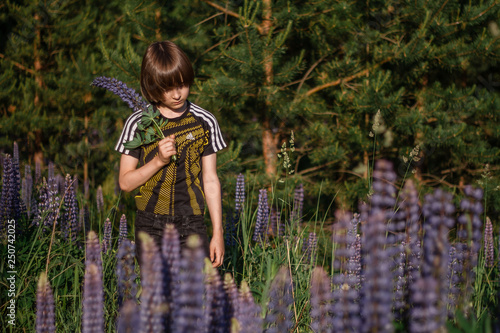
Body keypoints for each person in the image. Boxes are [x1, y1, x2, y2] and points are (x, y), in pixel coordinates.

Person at [115, 41, 226, 267]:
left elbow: (211, 179)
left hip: (192, 223)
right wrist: (158, 161)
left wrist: (218, 232)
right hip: (150, 224)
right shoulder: (138, 123)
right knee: (157, 299)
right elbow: (125, 183)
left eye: (183, 84)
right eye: (167, 87)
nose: (177, 94)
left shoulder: (204, 121)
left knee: (193, 298)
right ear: (152, 85)